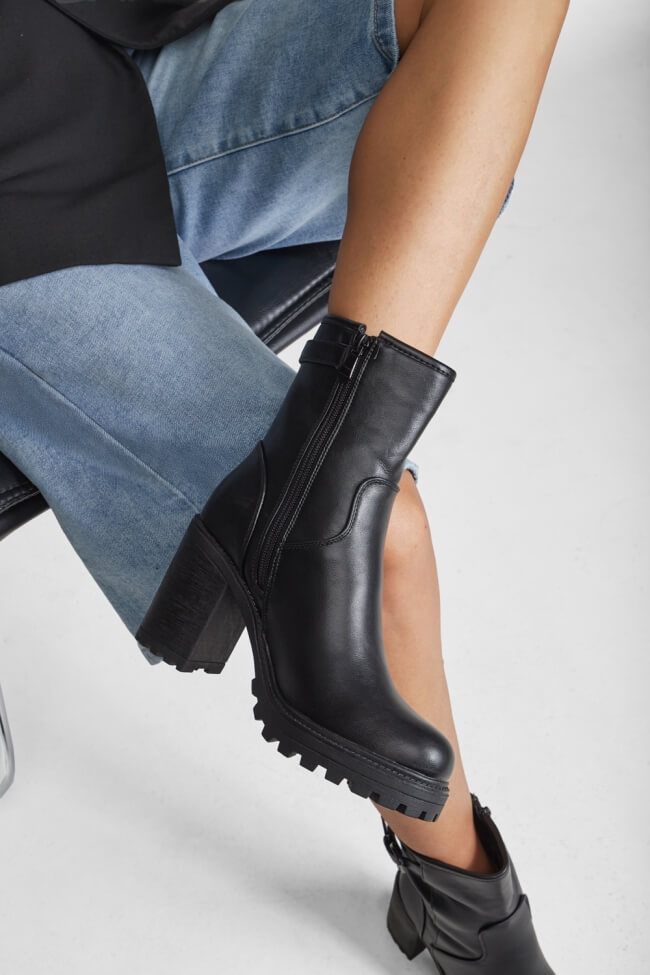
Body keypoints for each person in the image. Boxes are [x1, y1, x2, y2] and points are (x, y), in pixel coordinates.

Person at [0, 1, 570, 970]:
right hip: (18, 194)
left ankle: (335, 468)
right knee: (383, 538)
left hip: (111, 39)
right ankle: (465, 905)